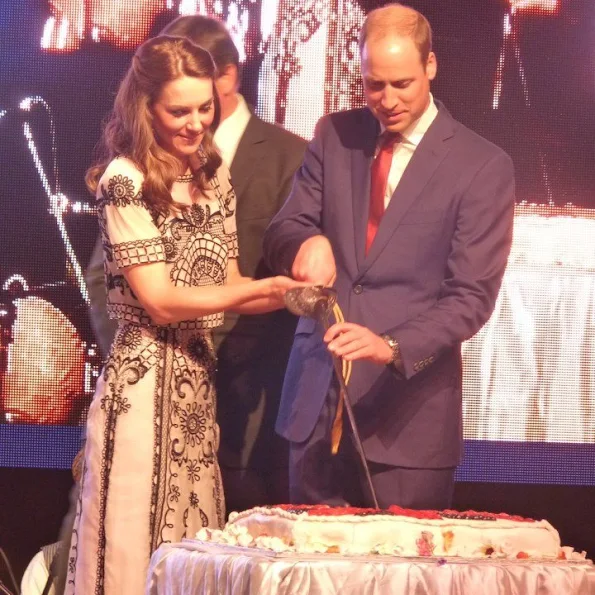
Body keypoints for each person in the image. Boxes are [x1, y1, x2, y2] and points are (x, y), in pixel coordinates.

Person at [65, 35, 302, 595]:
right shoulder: (124, 180)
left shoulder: (212, 176)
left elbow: (226, 282)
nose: (196, 123)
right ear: (145, 108)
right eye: (179, 111)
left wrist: (285, 293)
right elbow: (162, 299)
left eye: (204, 107)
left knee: (190, 549)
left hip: (197, 386)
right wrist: (254, 291)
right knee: (132, 552)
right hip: (142, 388)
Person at [263, 3, 515, 510]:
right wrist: (302, 244)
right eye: (374, 85)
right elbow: (285, 227)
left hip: (408, 424)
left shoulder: (482, 165)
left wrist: (391, 346)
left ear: (431, 67)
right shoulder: (335, 136)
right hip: (316, 407)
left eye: (402, 83)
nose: (388, 100)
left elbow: (470, 297)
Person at [159, 14, 307, 512]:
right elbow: (104, 275)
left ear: (226, 76)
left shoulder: (294, 157)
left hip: (253, 410)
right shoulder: (149, 163)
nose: (188, 118)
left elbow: (293, 267)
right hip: (161, 395)